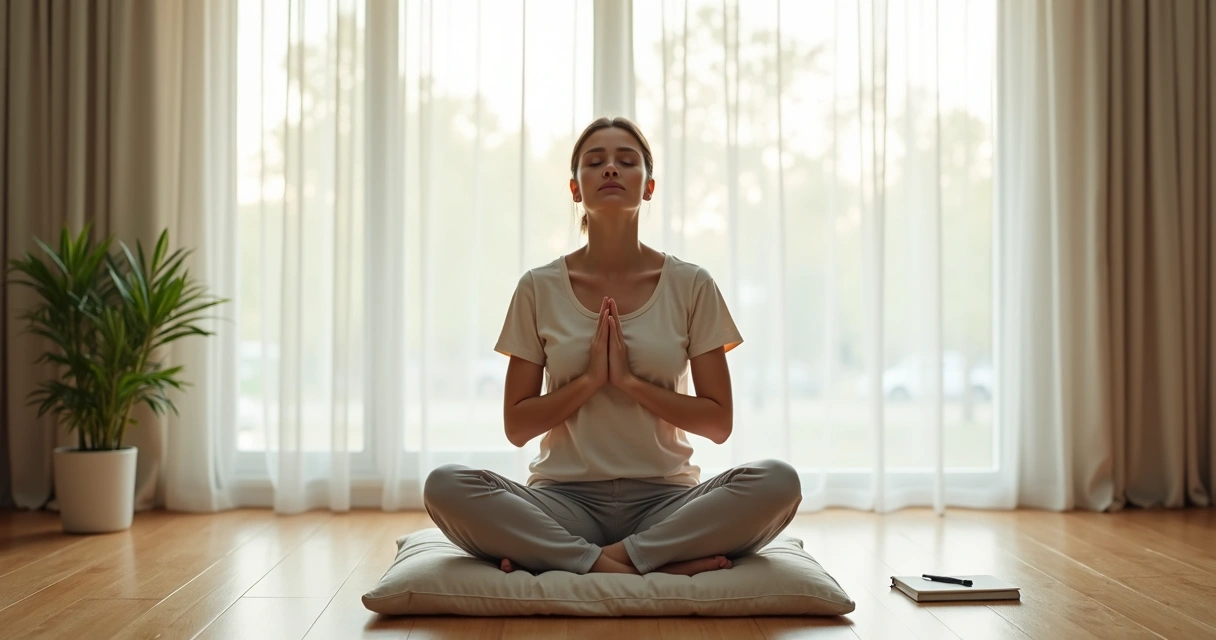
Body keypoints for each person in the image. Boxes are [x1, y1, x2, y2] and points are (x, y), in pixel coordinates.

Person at [423, 117, 801, 577]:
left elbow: (718, 422)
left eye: (626, 161)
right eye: (595, 162)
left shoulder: (692, 284)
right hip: (562, 501)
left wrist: (627, 382)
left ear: (649, 186)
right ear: (575, 188)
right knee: (444, 485)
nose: (610, 170)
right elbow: (517, 426)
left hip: (665, 501)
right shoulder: (538, 288)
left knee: (779, 482)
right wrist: (588, 382)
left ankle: (595, 560)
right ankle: (645, 562)